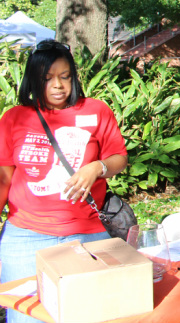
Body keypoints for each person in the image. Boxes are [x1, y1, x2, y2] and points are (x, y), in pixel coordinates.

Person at [0, 40, 128, 323]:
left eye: (65, 76)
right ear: (33, 79)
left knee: (92, 314)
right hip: (24, 237)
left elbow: (119, 157)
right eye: (47, 78)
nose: (58, 85)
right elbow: (4, 176)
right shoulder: (14, 118)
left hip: (86, 233)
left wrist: (97, 167)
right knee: (28, 317)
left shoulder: (95, 110)